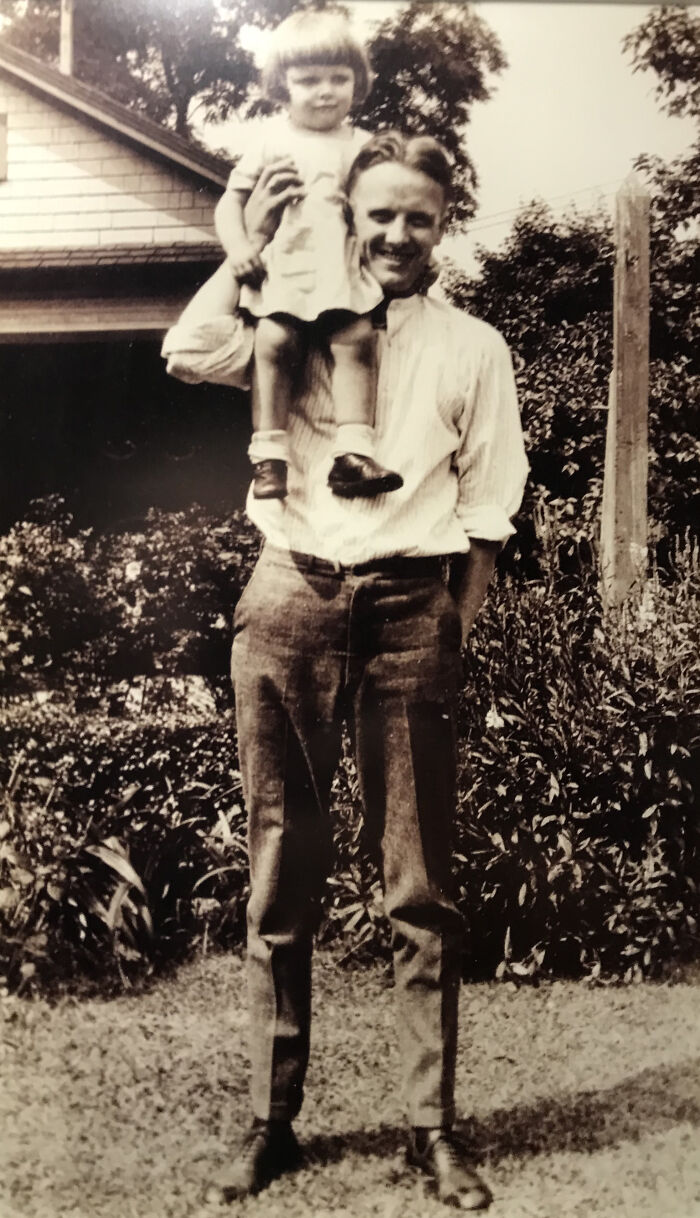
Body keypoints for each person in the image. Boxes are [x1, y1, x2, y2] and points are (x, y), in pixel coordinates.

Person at [163, 130, 528, 1211]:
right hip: (290, 597)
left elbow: (490, 503)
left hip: (415, 609)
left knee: (418, 883)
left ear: (442, 224)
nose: (398, 235)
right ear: (350, 216)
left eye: (418, 216)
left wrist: (451, 621)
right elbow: (187, 354)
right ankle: (273, 1124)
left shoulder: (473, 346)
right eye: (379, 215)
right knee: (281, 871)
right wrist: (248, 251)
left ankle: (432, 1129)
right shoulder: (281, 316)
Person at [176, 8, 402, 503]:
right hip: (287, 273)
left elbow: (390, 203)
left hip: (342, 272)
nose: (325, 91)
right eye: (308, 80)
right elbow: (230, 202)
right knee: (274, 346)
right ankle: (269, 457)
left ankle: (352, 453)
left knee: (358, 341)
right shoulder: (272, 141)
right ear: (282, 86)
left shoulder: (364, 146)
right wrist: (239, 247)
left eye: (338, 78)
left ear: (357, 83)